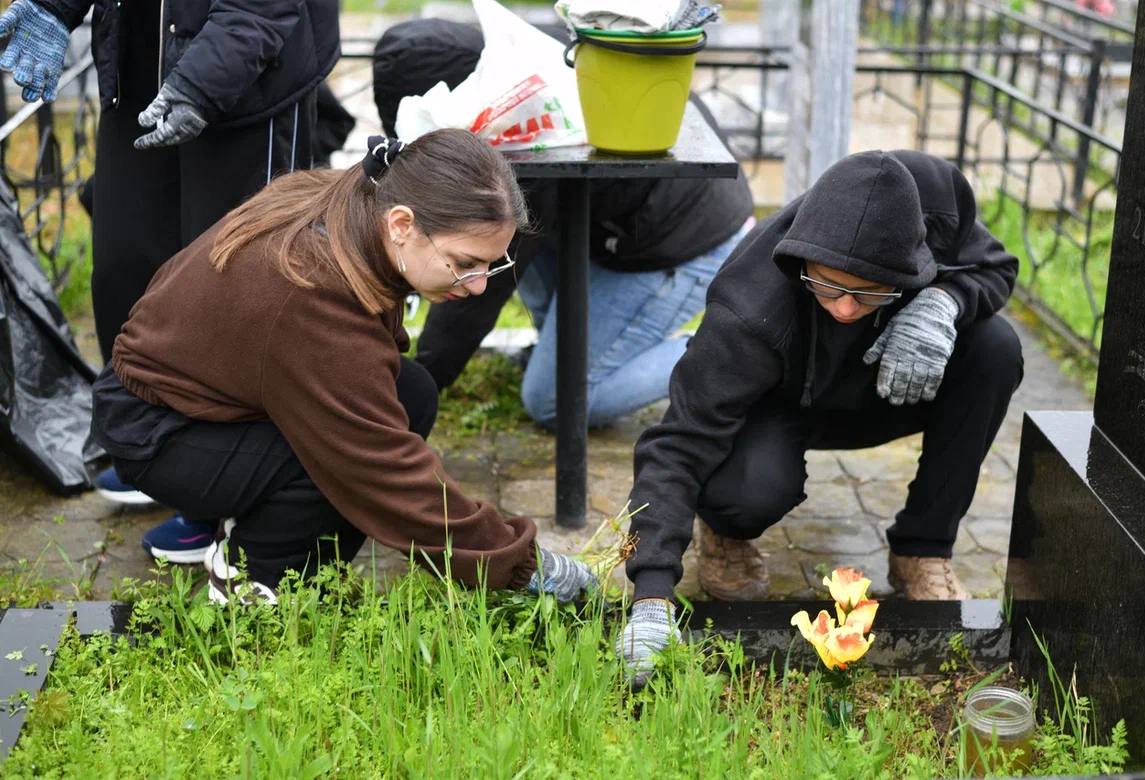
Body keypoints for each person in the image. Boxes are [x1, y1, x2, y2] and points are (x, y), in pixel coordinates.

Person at [89, 130, 596, 604]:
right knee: (342, 460)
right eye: (465, 263)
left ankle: (247, 529)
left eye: (492, 264)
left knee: (411, 393)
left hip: (203, 394)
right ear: (402, 224)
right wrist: (520, 565)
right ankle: (253, 580)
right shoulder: (311, 293)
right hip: (155, 428)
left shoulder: (359, 199)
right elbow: (385, 472)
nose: (480, 285)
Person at [615, 150, 1022, 683]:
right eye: (828, 285)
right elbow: (677, 444)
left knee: (995, 349)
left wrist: (944, 300)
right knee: (746, 493)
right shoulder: (747, 307)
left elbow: (997, 267)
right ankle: (726, 533)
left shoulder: (934, 209)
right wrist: (651, 594)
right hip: (775, 405)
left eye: (868, 290)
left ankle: (922, 550)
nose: (846, 308)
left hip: (888, 387)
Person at [0, 0, 342, 563]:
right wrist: (57, 7)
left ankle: (239, 497)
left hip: (247, 81)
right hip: (139, 70)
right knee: (127, 275)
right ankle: (171, 458)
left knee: (235, 295)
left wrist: (200, 84)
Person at [371, 18, 755, 425]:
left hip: (686, 239)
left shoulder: (518, 122)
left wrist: (419, 385)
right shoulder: (506, 57)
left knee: (554, 401)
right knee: (506, 238)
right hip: (613, 224)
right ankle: (577, 351)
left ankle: (735, 353)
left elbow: (484, 284)